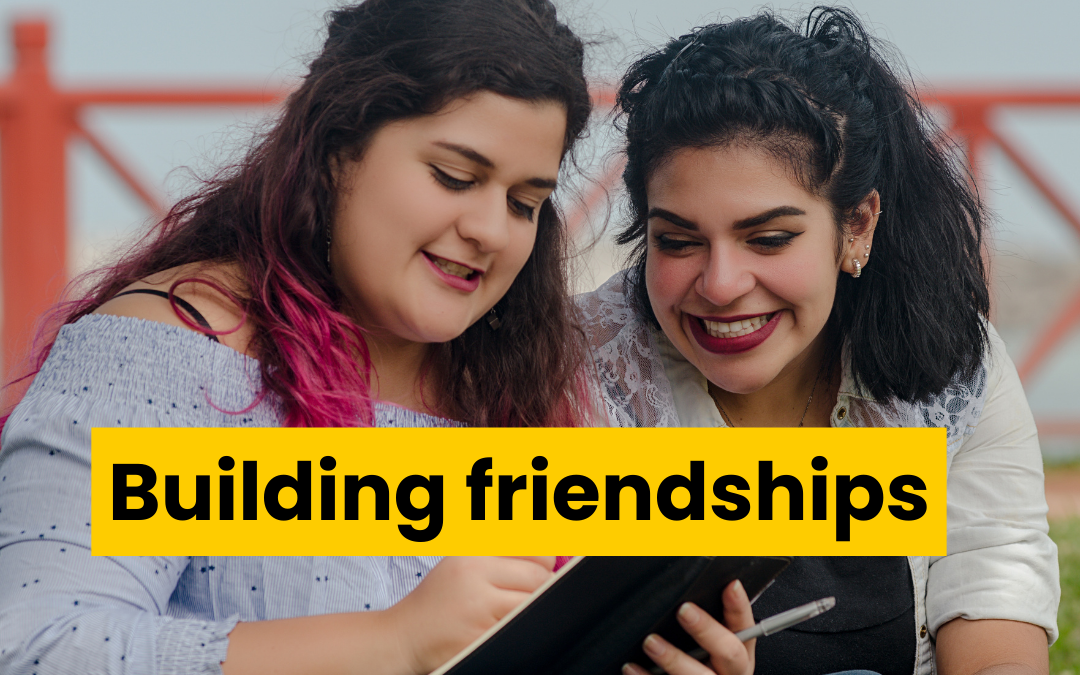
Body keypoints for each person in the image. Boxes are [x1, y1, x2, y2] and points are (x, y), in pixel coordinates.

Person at [0, 1, 605, 673]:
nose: (492, 229)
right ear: (336, 150)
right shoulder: (164, 350)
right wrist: (394, 641)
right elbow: (37, 648)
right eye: (455, 177)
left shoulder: (519, 385)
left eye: (525, 203)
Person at [580, 8, 1059, 675]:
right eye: (678, 241)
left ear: (857, 225)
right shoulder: (578, 369)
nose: (719, 285)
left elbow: (997, 639)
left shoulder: (949, 366)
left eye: (769, 238)